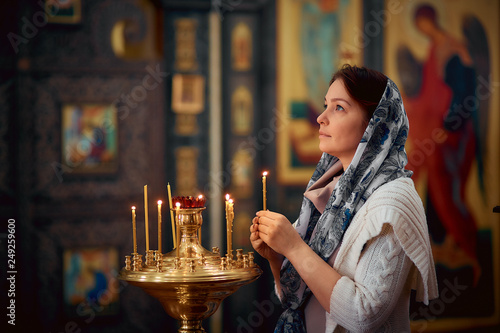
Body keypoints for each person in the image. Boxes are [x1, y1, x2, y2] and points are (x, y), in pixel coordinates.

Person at [250, 64, 438, 332]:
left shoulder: (394, 201)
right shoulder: (334, 188)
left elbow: (364, 315)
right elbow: (302, 297)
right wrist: (277, 257)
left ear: (375, 123)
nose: (320, 118)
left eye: (338, 107)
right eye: (325, 105)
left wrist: (293, 247)